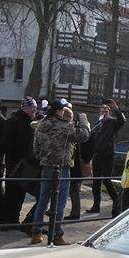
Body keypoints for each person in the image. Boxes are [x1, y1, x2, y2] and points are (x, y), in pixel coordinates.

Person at [29, 101, 89, 245]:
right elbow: (83, 136)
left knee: (42, 201)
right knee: (60, 203)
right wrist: (84, 122)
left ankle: (35, 233)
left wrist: (44, 158)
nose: (63, 113)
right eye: (62, 110)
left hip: (46, 166)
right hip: (62, 168)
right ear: (58, 111)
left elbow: (35, 150)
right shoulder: (64, 126)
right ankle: (56, 235)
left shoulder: (40, 125)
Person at [0, 96, 39, 228]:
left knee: (11, 191)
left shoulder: (11, 120)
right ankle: (11, 220)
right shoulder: (27, 123)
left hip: (12, 161)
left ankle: (6, 220)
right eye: (33, 109)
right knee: (18, 191)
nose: (35, 111)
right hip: (23, 162)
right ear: (26, 109)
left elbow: (5, 142)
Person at [87, 99, 125, 216]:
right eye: (102, 110)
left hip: (108, 154)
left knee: (107, 180)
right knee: (96, 181)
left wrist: (116, 108)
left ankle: (117, 202)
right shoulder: (98, 124)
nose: (104, 112)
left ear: (110, 112)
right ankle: (96, 205)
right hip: (97, 154)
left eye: (106, 110)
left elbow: (122, 120)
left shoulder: (113, 122)